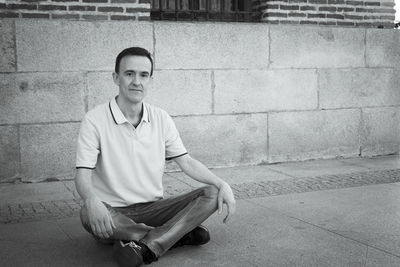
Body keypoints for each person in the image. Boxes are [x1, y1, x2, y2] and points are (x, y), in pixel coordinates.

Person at [75, 47, 236, 267]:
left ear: (150, 80)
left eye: (143, 75)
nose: (136, 81)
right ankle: (172, 236)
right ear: (116, 77)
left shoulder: (161, 118)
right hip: (112, 212)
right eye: (129, 73)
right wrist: (91, 200)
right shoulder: (94, 119)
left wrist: (222, 183)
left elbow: (186, 162)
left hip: (154, 208)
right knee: (87, 212)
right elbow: (82, 174)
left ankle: (142, 243)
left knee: (212, 193)